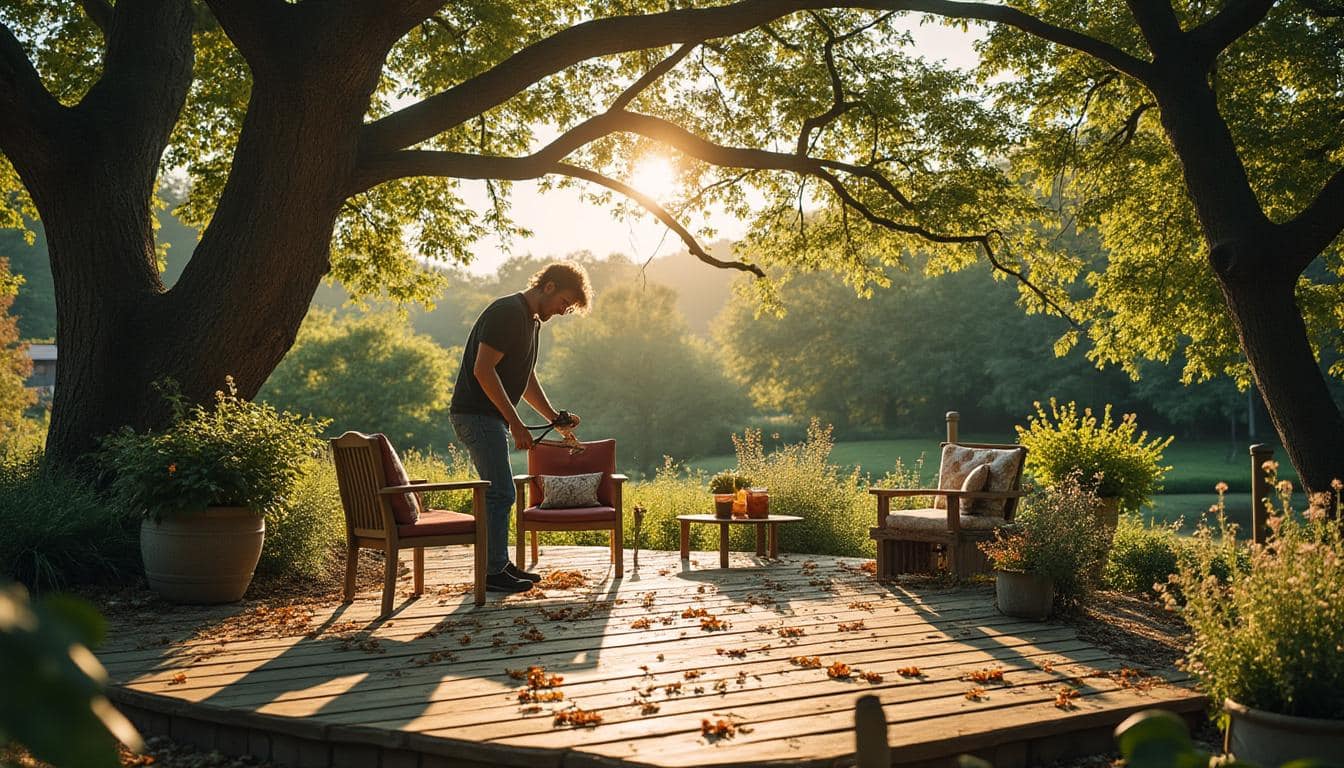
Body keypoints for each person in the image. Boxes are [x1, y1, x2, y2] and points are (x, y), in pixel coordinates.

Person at [449, 262, 592, 593]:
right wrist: (515, 424)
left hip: (490, 417)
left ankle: (498, 565)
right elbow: (483, 370)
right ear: (550, 287)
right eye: (564, 303)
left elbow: (524, 378)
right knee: (500, 492)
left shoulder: (531, 322)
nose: (562, 311)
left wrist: (553, 418)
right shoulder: (508, 312)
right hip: (475, 416)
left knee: (501, 491)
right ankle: (492, 572)